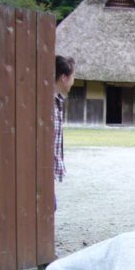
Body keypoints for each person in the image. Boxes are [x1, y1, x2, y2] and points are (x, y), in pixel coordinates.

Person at [53, 55, 75, 185]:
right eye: (72, 77)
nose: (73, 81)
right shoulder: (47, 105)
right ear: (64, 78)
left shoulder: (57, 102)